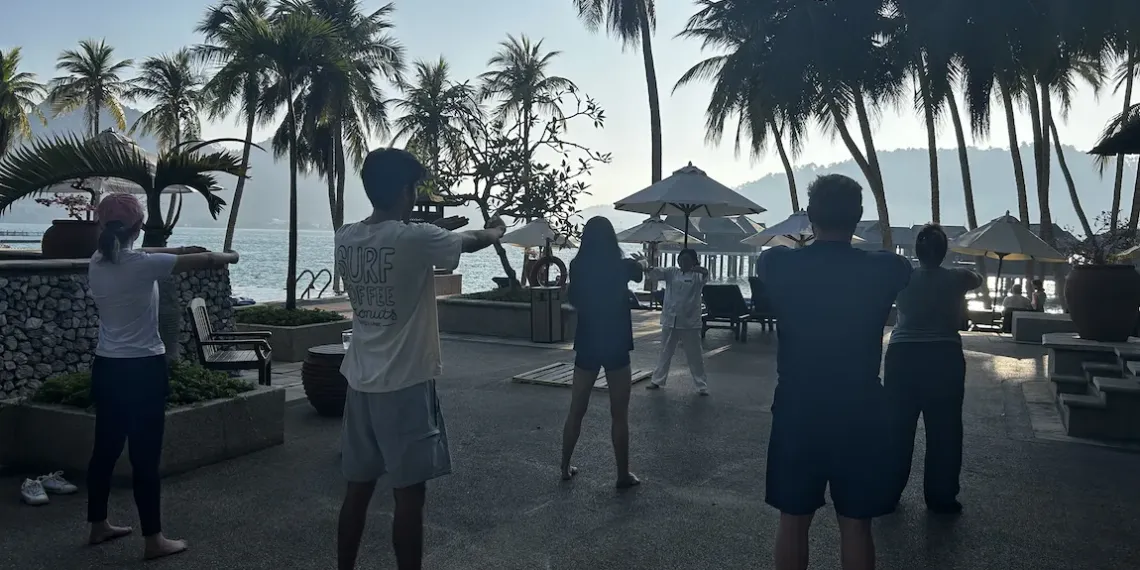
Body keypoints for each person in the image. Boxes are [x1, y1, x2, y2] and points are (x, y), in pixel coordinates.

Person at [334, 148, 506, 570]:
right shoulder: (416, 238)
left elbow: (395, 240)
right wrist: (496, 230)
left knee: (357, 489)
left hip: (359, 381)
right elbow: (470, 241)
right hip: (405, 384)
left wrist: (428, 228)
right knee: (409, 496)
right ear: (406, 190)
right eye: (414, 188)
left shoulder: (345, 236)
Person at [757, 174, 912, 570]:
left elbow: (770, 258)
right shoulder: (885, 270)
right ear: (858, 217)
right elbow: (898, 264)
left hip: (798, 406)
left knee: (792, 520)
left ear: (810, 217)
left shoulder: (778, 264)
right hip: (858, 408)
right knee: (857, 525)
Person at [85, 193, 238, 560]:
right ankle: (153, 539)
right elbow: (203, 260)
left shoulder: (98, 262)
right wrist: (228, 256)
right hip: (143, 370)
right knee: (144, 456)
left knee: (104, 452)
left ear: (103, 228)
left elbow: (167, 256)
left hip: (106, 367)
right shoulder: (142, 264)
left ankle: (97, 525)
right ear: (139, 229)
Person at [884, 225, 983, 515]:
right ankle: (941, 497)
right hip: (944, 356)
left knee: (897, 427)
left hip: (903, 355)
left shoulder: (904, 278)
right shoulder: (958, 278)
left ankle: (888, 492)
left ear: (917, 251)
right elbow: (976, 278)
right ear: (944, 252)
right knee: (945, 429)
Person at [561, 216, 643, 488]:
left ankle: (564, 466)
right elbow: (639, 272)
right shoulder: (621, 267)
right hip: (617, 342)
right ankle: (622, 474)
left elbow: (574, 297)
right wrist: (638, 261)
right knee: (619, 414)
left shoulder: (577, 266)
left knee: (576, 409)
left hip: (587, 341)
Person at [635, 248, 710, 395]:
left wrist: (702, 270)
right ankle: (657, 380)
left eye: (687, 260)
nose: (683, 263)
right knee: (665, 352)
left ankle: (701, 385)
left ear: (693, 261)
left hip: (689, 322)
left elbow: (705, 276)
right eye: (681, 260)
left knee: (694, 355)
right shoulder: (672, 272)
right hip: (670, 319)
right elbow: (656, 273)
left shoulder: (697, 276)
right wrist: (645, 266)